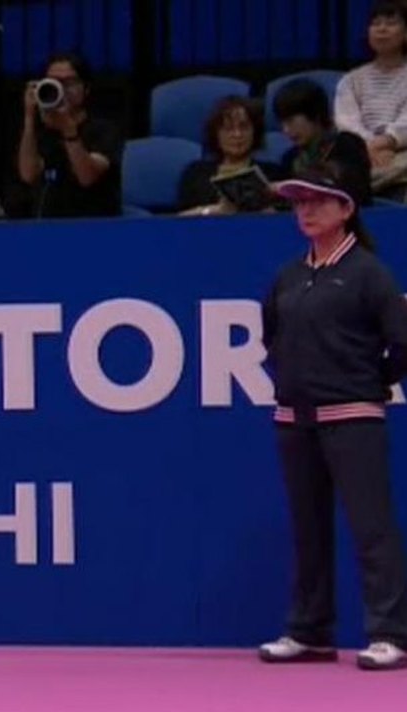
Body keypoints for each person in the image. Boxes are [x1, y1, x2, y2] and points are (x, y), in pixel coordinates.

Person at [259, 161, 407, 672]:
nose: (306, 210)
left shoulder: (369, 273)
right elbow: (271, 337)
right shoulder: (288, 275)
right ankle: (310, 631)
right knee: (308, 529)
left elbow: (402, 341)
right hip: (293, 419)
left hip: (353, 416)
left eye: (318, 200)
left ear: (345, 209)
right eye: (299, 202)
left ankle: (391, 633)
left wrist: (371, 382)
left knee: (372, 529)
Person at [16, 51, 122, 218]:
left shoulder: (104, 129)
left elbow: (86, 176)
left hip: (92, 223)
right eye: (54, 82)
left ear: (86, 88)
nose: (62, 89)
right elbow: (28, 174)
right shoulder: (43, 132)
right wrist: (29, 118)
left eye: (69, 83)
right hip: (47, 224)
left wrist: (68, 129)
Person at [335, 0, 407, 200]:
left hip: (400, 150)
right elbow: (346, 122)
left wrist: (386, 141)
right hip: (364, 153)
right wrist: (369, 147)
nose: (382, 29)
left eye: (391, 23)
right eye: (375, 24)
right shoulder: (351, 80)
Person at [177, 95, 283, 216]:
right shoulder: (195, 173)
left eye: (244, 127)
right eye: (228, 129)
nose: (237, 135)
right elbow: (179, 219)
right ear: (216, 134)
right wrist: (213, 210)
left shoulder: (274, 173)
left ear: (255, 132)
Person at [274, 78, 372, 206]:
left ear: (316, 115)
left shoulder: (349, 144)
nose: (286, 130)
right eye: (282, 123)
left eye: (291, 121)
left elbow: (355, 194)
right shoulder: (290, 158)